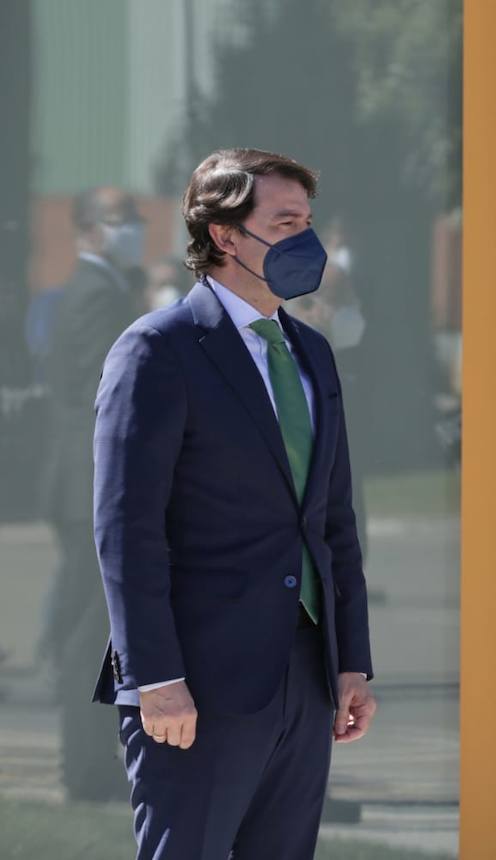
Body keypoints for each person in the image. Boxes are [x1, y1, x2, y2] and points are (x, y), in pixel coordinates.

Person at [92, 148, 377, 858]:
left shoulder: (312, 353)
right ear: (224, 235)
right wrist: (155, 679)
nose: (307, 241)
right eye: (285, 222)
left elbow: (333, 519)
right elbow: (128, 529)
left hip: (304, 679)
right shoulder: (157, 350)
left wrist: (350, 662)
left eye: (309, 222)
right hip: (195, 687)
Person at [38, 187, 144, 802]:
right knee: (93, 629)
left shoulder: (95, 289)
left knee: (94, 624)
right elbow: (104, 390)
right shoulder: (98, 294)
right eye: (119, 220)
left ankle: (89, 761)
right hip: (90, 486)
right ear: (88, 231)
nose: (132, 228)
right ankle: (86, 767)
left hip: (80, 484)